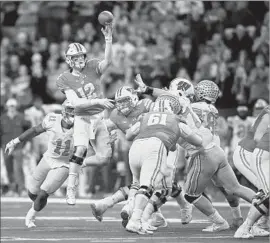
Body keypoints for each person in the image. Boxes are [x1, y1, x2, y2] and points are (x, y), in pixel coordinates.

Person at [125, 95, 204, 234]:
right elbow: (198, 141)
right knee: (148, 186)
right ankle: (135, 220)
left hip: (135, 147)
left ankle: (135, 215)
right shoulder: (176, 120)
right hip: (155, 146)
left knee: (137, 184)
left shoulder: (145, 117)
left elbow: (128, 135)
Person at [56, 23, 115, 205]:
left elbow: (108, 61)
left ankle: (77, 165)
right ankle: (71, 188)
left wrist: (108, 39)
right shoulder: (64, 78)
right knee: (80, 148)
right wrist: (98, 101)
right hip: (82, 117)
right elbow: (75, 103)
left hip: (99, 117)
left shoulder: (92, 67)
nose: (79, 59)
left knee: (104, 157)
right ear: (69, 60)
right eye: (75, 57)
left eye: (81, 56)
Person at [5, 100, 75, 228]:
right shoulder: (53, 119)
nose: (73, 113)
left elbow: (95, 139)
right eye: (70, 110)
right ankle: (38, 203)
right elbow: (34, 131)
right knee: (32, 192)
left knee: (43, 192)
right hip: (48, 158)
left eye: (75, 110)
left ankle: (31, 215)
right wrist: (15, 141)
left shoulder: (83, 125)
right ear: (64, 110)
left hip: (64, 164)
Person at [234, 105, 270, 239]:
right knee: (265, 192)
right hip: (248, 153)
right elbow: (257, 138)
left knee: (266, 191)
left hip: (261, 154)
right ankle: (251, 226)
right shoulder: (268, 113)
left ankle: (260, 224)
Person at [1, 98, 31, 196]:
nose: (12, 108)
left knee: (18, 168)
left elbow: (29, 131)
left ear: (16, 106)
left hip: (18, 147)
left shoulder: (21, 117)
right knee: (9, 169)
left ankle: (21, 189)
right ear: (7, 107)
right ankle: (12, 189)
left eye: (13, 106)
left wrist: (28, 144)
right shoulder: (2, 118)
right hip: (5, 147)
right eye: (10, 106)